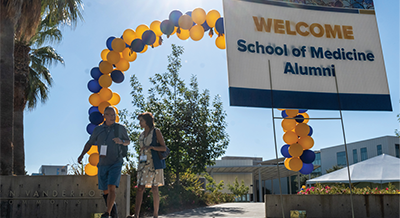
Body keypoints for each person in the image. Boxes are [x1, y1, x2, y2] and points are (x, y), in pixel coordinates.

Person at [78, 106, 130, 218]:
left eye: (114, 115)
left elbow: (128, 142)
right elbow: (90, 142)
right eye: (110, 115)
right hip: (102, 163)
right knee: (105, 190)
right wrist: (82, 155)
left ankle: (107, 213)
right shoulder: (98, 129)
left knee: (111, 187)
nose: (112, 117)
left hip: (116, 161)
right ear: (104, 116)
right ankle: (114, 213)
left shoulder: (120, 128)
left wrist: (121, 141)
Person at [127, 112, 166, 218]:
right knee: (140, 187)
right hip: (143, 164)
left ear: (147, 121)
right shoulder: (141, 134)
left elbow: (164, 148)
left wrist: (152, 147)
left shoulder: (156, 131)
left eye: (141, 121)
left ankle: (155, 215)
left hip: (154, 163)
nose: (139, 123)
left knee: (154, 188)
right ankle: (136, 215)